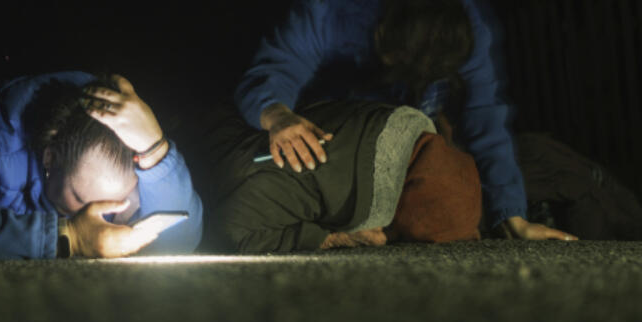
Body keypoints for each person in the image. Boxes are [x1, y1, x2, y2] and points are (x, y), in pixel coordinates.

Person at [235, 0, 575, 241]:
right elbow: (277, 66)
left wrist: (512, 216)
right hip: (334, 126)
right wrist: (277, 114)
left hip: (413, 130)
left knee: (458, 205)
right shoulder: (333, 3)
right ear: (382, 33)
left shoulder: (466, 23)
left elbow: (485, 116)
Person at [0, 72, 203, 259]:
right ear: (50, 158)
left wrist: (156, 151)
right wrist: (70, 236)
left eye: (118, 203)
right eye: (80, 199)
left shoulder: (140, 157)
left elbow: (181, 242)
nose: (99, 219)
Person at [204, 100, 483, 252]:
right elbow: (232, 230)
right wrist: (334, 238)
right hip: (199, 160)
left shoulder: (381, 117)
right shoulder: (320, 180)